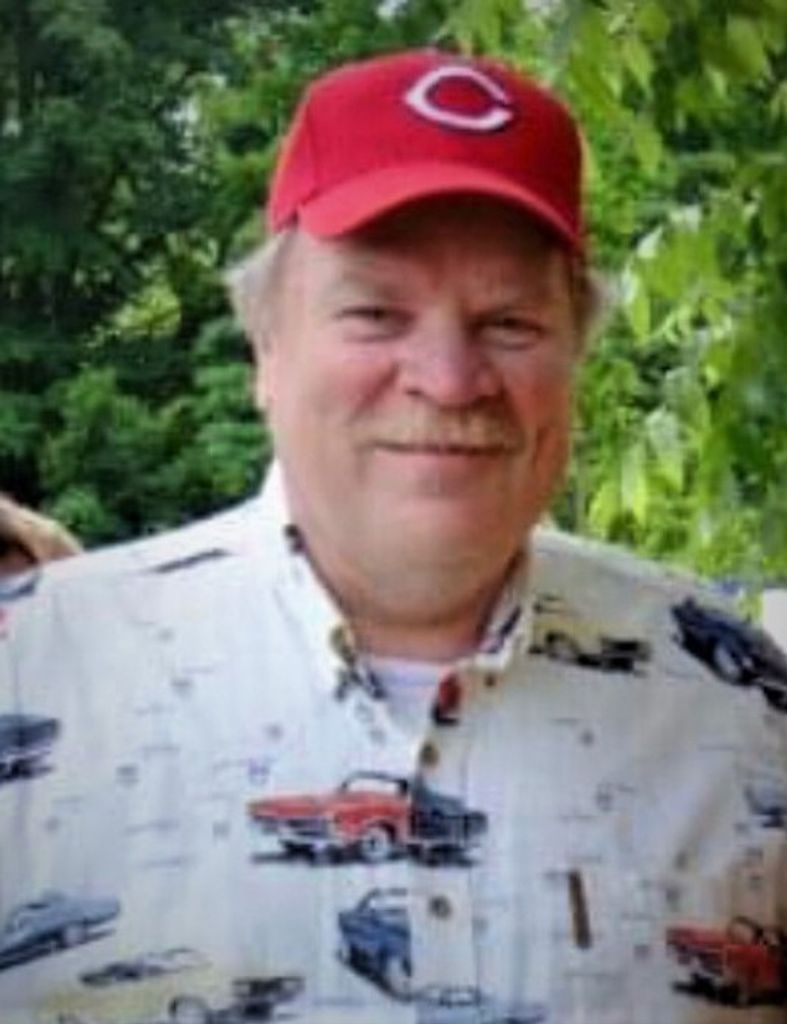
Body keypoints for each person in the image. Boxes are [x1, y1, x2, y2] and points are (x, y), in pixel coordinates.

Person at [1, 49, 785, 1024]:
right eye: (375, 313)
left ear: (575, 354)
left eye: (509, 322)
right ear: (265, 346)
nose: (448, 380)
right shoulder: (30, 670)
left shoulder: (742, 703)